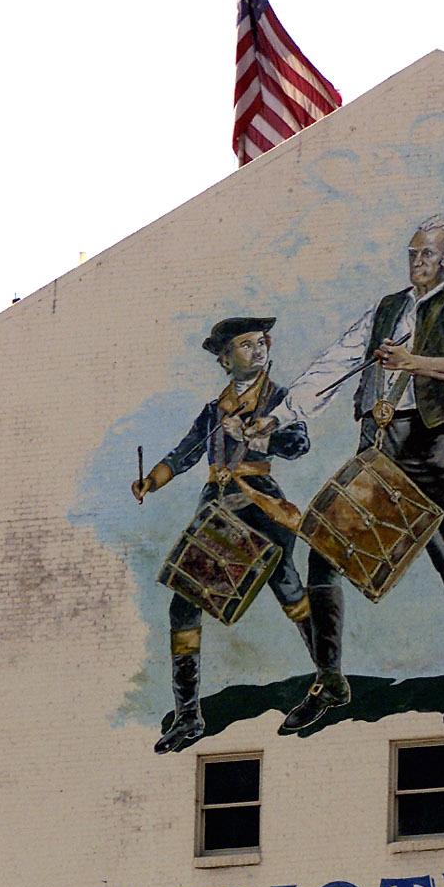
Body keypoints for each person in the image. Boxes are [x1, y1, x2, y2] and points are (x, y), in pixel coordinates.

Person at [259, 214, 444, 735]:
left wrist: (413, 361)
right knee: (324, 547)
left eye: (427, 254)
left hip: (429, 450)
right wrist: (281, 413)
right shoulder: (386, 309)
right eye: (413, 253)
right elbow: (334, 364)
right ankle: (330, 679)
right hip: (378, 447)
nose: (417, 262)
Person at [131, 316, 316, 754]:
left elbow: (298, 444)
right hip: (216, 509)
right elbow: (187, 451)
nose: (257, 350)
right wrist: (151, 482)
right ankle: (189, 716)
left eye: (260, 342)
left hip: (260, 504)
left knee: (287, 585)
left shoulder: (279, 399)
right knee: (184, 603)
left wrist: (256, 438)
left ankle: (328, 677)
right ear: (224, 360)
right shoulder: (214, 410)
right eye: (246, 345)